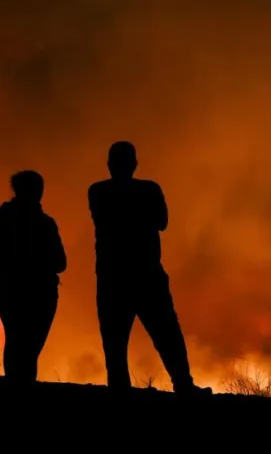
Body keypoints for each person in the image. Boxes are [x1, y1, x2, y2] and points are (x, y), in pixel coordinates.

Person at [88, 141, 211, 396]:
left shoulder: (98, 191)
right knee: (167, 334)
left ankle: (120, 390)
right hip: (146, 275)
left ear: (110, 165)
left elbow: (107, 221)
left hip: (113, 277)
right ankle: (183, 385)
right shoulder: (149, 190)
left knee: (115, 339)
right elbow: (162, 222)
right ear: (135, 164)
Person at [0, 170, 67, 384]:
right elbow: (61, 263)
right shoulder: (46, 224)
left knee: (16, 342)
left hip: (11, 290)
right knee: (30, 347)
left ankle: (17, 385)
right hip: (42, 293)